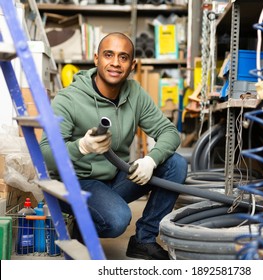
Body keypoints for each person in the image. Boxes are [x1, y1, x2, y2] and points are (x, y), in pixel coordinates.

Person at [39, 32, 188, 260]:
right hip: (76, 182)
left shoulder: (134, 94)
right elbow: (45, 153)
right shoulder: (69, 99)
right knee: (117, 220)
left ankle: (143, 240)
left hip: (113, 177)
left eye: (123, 57)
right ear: (97, 58)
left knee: (175, 164)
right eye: (109, 55)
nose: (116, 63)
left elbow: (169, 132)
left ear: (132, 65)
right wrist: (82, 147)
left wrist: (151, 159)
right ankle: (80, 224)